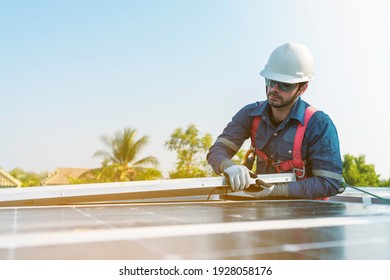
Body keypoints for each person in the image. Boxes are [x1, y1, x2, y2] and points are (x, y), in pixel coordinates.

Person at [207, 42, 343, 199]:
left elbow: (329, 183)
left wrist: (277, 191)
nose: (274, 89)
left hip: (305, 213)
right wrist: (228, 166)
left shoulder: (319, 124)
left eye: (285, 85)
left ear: (302, 88)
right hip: (261, 209)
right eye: (270, 81)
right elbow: (217, 151)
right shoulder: (249, 114)